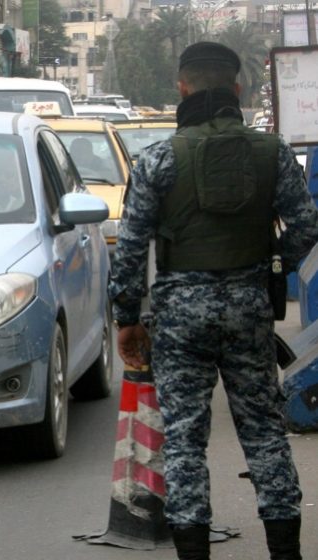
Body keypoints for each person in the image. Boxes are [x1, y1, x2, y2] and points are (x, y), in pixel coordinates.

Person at [108, 41, 317, 560]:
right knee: (266, 434)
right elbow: (307, 225)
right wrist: (272, 267)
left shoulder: (158, 160)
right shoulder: (272, 153)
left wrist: (128, 317)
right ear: (237, 89)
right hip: (249, 309)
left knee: (183, 441)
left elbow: (131, 247)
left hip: (179, 317)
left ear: (182, 88)